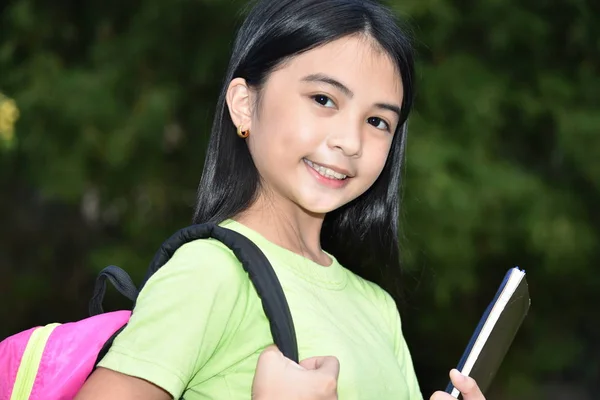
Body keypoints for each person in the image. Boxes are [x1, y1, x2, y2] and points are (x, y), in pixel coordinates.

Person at [75, 0, 487, 399]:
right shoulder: (209, 273)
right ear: (244, 104)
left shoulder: (378, 308)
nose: (350, 141)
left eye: (377, 121)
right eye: (323, 99)